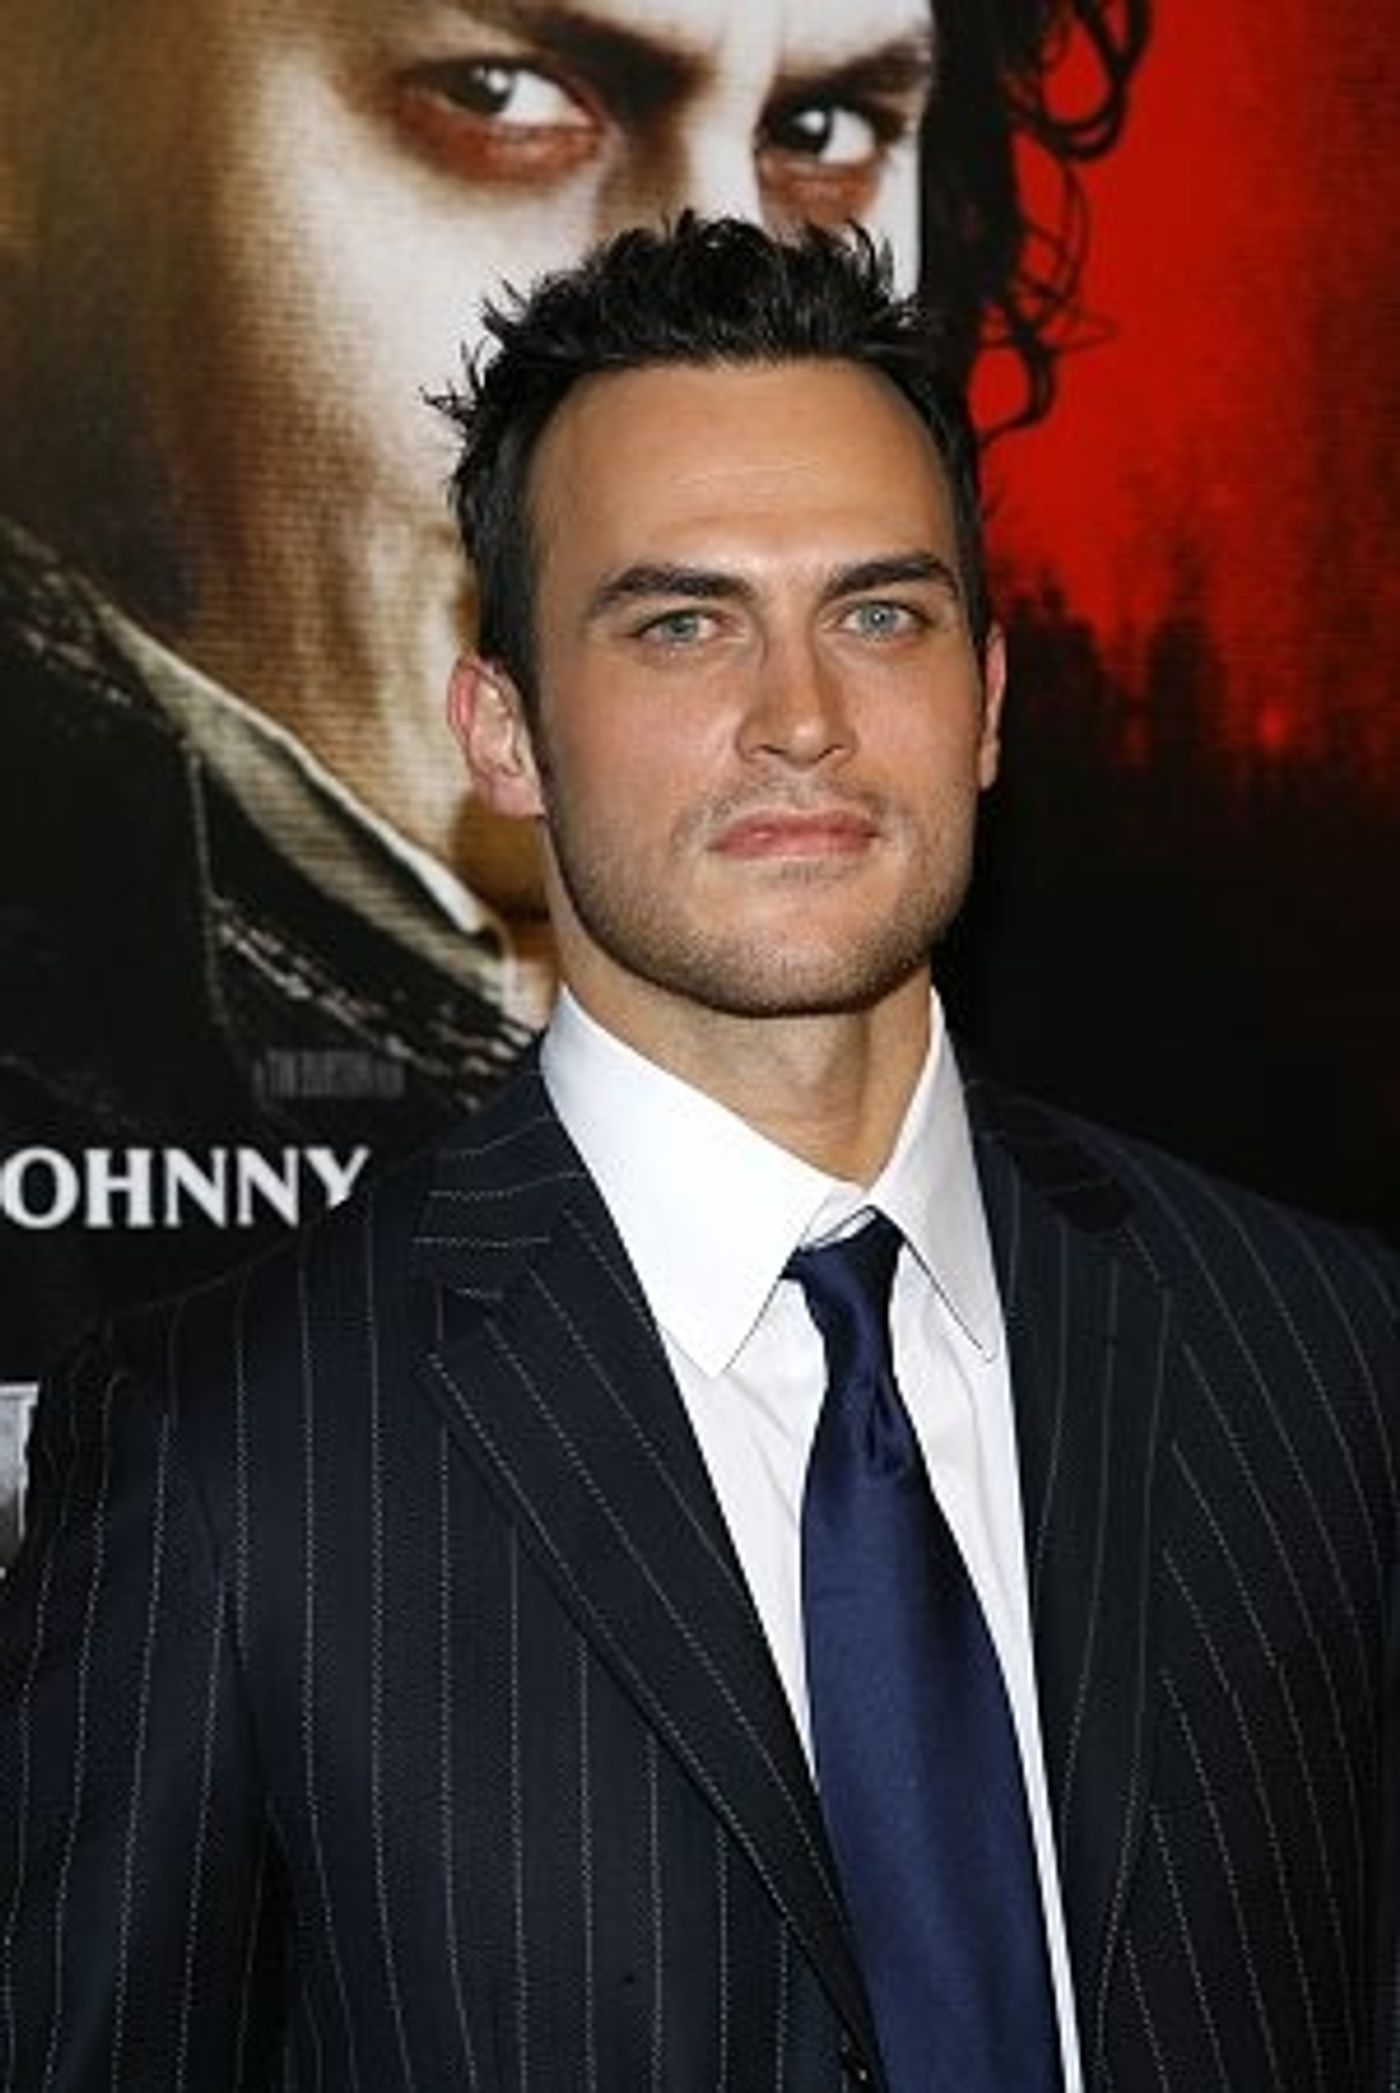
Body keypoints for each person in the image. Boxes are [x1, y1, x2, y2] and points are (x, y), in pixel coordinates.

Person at [2, 214, 1395, 2091]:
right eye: (681, 624)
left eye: (880, 615)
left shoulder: (1323, 1359)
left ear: (987, 701)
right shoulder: (230, 1463)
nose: (802, 718)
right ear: (506, 732)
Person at [0, 0, 1150, 1385]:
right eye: (498, 97)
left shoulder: (1303, 1352)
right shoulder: (199, 1436)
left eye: (821, 126)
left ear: (988, 695)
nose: (701, 280)